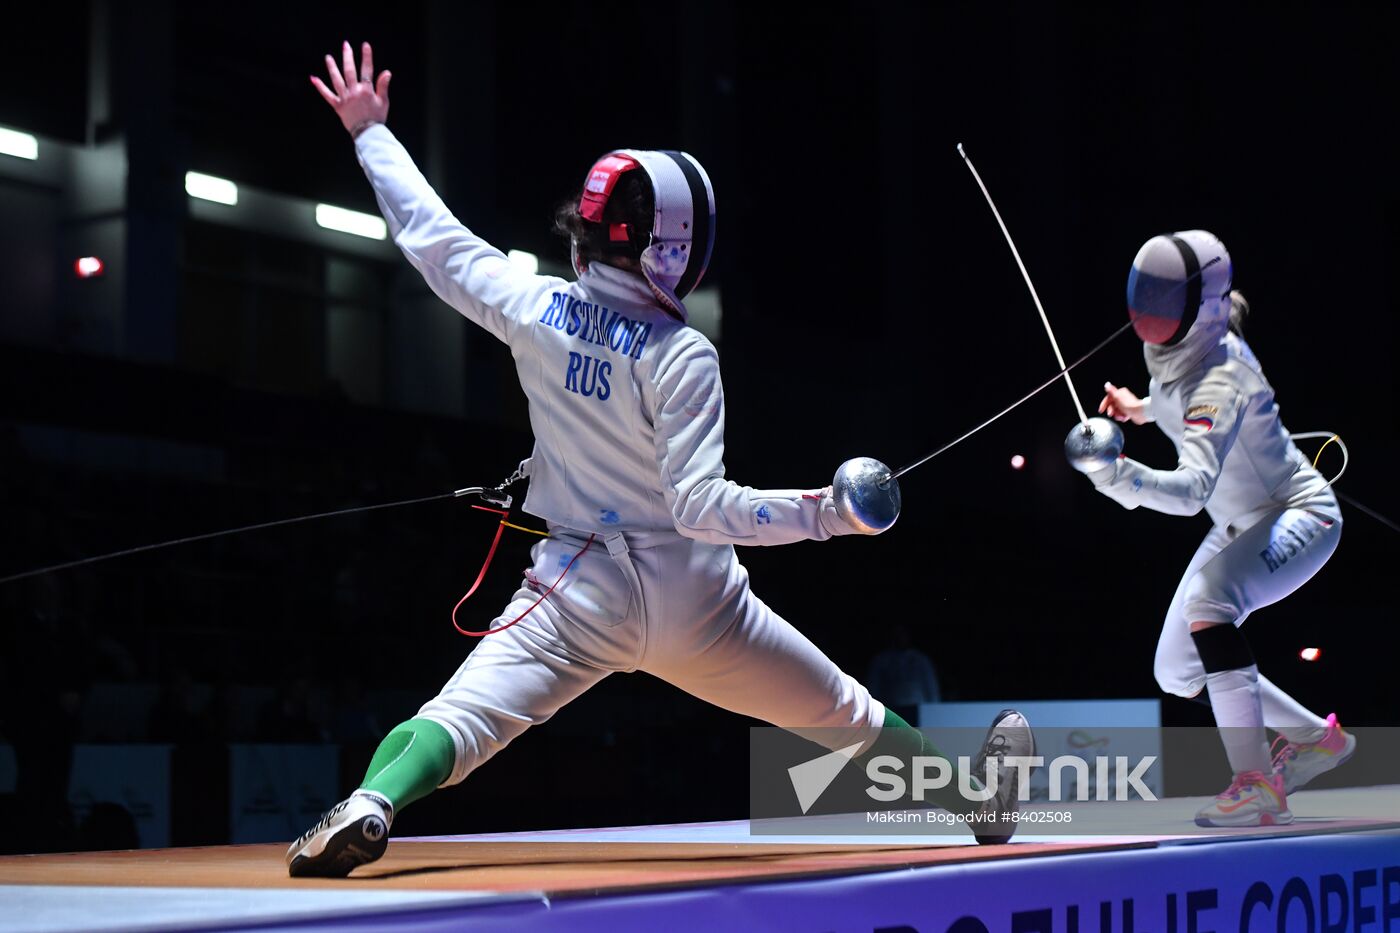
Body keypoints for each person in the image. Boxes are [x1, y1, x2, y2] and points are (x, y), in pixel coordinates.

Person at [287, 42, 1033, 876]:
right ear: (675, 248)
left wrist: (371, 134)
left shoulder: (533, 305)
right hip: (696, 606)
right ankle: (976, 805)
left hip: (575, 592)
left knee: (461, 716)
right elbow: (698, 508)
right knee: (843, 711)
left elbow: (434, 240)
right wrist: (826, 511)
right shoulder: (682, 354)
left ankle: (371, 803)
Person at [1073, 229, 1354, 828]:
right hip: (1239, 522)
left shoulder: (1223, 379)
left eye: (1162, 295)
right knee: (1176, 670)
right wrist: (1140, 409)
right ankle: (1315, 740)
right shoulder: (1187, 353)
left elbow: (1189, 492)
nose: (1149, 306)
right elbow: (1179, 398)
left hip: (1301, 514)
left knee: (1209, 602)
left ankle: (1255, 783)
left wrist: (1117, 475)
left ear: (1197, 306)